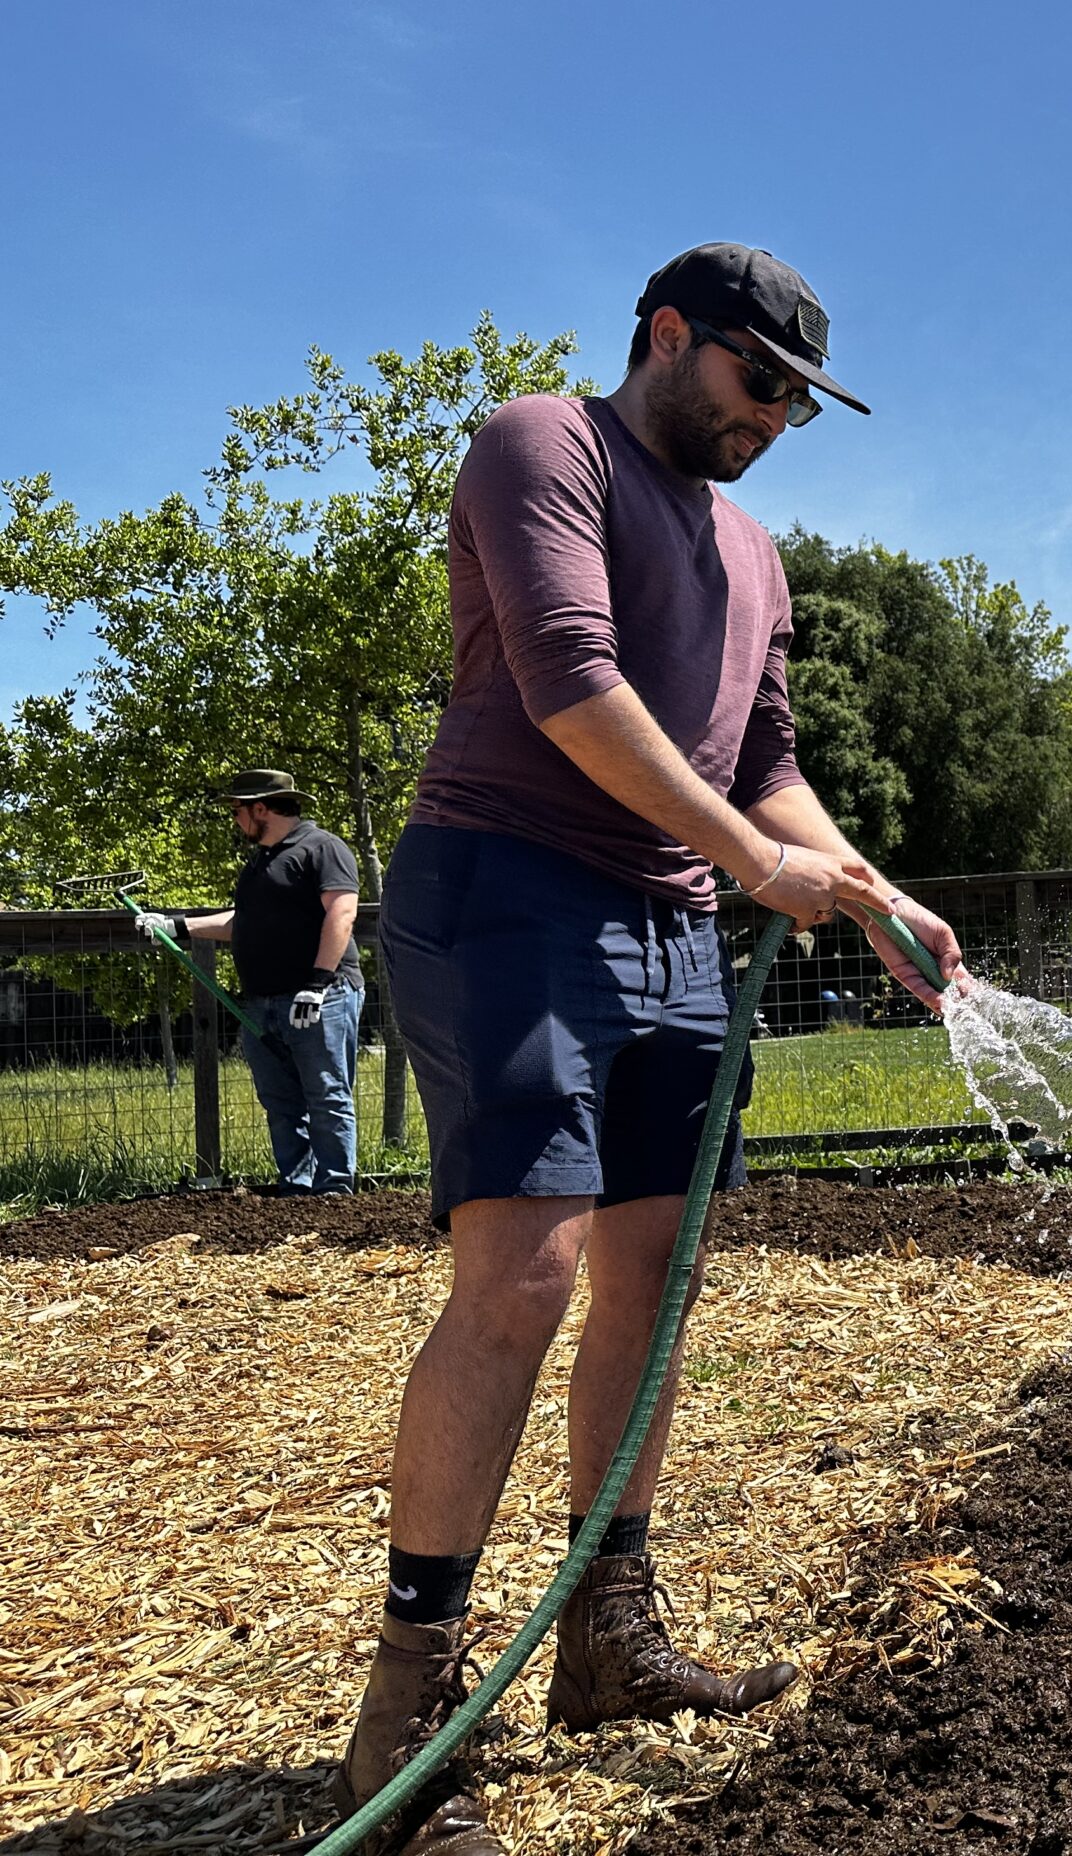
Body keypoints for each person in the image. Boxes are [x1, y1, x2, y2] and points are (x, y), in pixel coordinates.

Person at [338, 244, 968, 1856]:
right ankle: (408, 1707)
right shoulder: (543, 441)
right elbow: (573, 689)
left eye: (801, 409)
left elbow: (766, 763)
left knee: (656, 1270)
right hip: (509, 891)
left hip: (673, 926)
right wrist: (759, 866)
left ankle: (609, 1635)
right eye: (761, 384)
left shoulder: (751, 550)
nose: (774, 421)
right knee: (524, 1281)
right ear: (670, 337)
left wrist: (878, 896)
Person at [136, 768, 364, 1194]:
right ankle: (296, 1189)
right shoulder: (260, 864)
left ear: (261, 808)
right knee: (280, 1101)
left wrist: (316, 984)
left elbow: (342, 913)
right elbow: (243, 923)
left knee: (326, 1094)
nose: (236, 820)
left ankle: (334, 1193)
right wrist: (176, 925)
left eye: (238, 810)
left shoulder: (323, 848)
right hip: (262, 1001)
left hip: (320, 998)